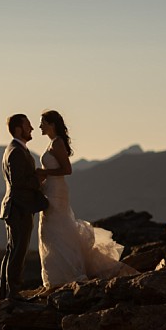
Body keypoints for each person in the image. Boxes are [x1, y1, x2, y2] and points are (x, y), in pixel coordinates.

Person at [36, 110, 135, 288]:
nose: (39, 126)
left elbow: (67, 170)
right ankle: (58, 276)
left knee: (55, 229)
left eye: (42, 122)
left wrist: (44, 172)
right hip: (51, 189)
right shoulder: (52, 143)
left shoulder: (57, 143)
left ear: (51, 124)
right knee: (54, 230)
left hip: (57, 192)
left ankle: (66, 274)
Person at [0, 114, 47, 301]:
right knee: (18, 252)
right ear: (19, 129)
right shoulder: (17, 151)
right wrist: (38, 179)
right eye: (28, 125)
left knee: (13, 250)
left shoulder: (14, 149)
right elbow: (19, 182)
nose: (32, 128)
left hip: (16, 207)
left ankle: (4, 294)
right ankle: (13, 295)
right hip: (19, 207)